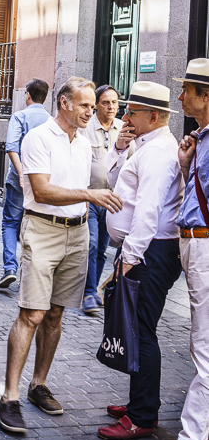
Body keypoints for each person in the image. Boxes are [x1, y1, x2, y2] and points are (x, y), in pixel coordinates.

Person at [0, 77, 122, 435]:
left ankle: (38, 385)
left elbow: (105, 175)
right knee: (32, 313)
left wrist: (125, 149)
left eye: (91, 105)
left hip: (77, 232)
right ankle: (9, 396)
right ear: (64, 102)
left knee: (55, 313)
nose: (90, 111)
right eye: (83, 104)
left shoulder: (83, 142)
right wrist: (89, 194)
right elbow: (43, 190)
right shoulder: (39, 137)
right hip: (43, 229)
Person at [98, 82, 183, 440]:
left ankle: (142, 416)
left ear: (153, 116)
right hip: (142, 250)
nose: (124, 116)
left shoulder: (160, 152)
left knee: (141, 331)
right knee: (133, 326)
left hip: (150, 253)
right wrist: (119, 147)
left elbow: (148, 209)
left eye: (131, 111)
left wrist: (129, 258)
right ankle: (139, 402)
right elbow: (116, 183)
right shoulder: (143, 145)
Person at [154, 59, 209, 440]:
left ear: (206, 96)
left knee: (203, 346)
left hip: (205, 248)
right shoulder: (200, 139)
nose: (180, 96)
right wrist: (188, 165)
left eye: (187, 89)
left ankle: (192, 438)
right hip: (194, 245)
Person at [0, 78, 50, 290]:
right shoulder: (51, 120)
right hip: (43, 180)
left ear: (27, 95)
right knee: (36, 225)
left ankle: (10, 267)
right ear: (45, 97)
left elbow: (12, 147)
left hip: (20, 179)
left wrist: (21, 174)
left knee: (10, 222)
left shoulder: (19, 116)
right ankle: (30, 274)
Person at [81, 84, 127, 315]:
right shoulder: (86, 128)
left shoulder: (124, 128)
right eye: (106, 103)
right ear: (96, 104)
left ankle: (93, 290)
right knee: (90, 245)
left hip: (112, 201)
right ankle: (89, 293)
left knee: (101, 249)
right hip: (91, 197)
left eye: (115, 103)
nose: (111, 107)